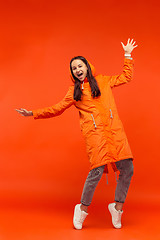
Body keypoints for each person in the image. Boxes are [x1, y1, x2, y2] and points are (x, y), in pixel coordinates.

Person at [16, 38, 138, 230]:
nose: (77, 70)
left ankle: (117, 207)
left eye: (80, 66)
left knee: (128, 168)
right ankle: (81, 209)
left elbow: (126, 77)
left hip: (115, 134)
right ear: (73, 73)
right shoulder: (74, 93)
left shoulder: (104, 81)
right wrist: (33, 113)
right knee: (96, 173)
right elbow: (56, 109)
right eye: (74, 68)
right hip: (96, 137)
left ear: (88, 67)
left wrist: (127, 55)